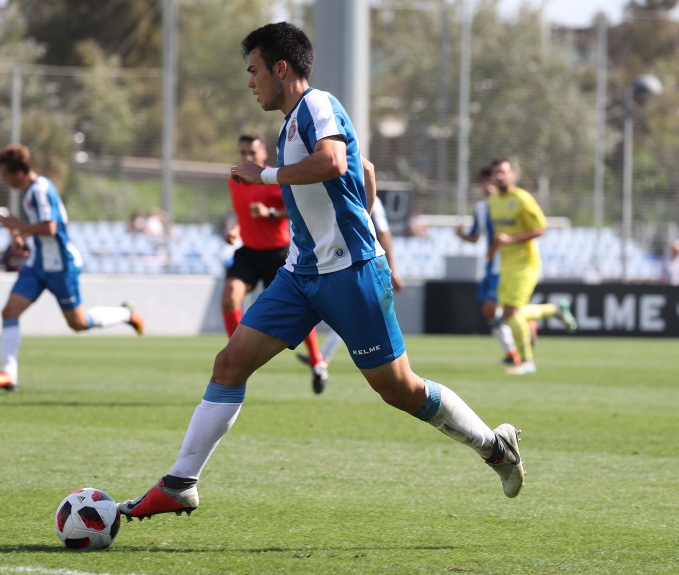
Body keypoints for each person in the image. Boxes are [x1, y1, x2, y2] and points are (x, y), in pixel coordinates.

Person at [117, 22, 526, 523]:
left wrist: (270, 179)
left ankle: (493, 446)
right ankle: (182, 482)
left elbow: (335, 162)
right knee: (229, 364)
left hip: (351, 274)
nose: (250, 83)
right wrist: (352, 213)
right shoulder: (292, 122)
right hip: (301, 274)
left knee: (398, 389)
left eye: (254, 71)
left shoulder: (316, 105)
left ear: (280, 68)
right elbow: (365, 171)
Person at [0, 144, 145, 392]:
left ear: (19, 172)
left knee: (78, 323)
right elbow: (40, 227)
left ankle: (125, 314)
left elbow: (51, 228)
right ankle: (8, 375)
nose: (3, 179)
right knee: (9, 312)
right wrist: (22, 236)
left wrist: (17, 224)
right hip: (37, 265)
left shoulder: (40, 190)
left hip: (60, 266)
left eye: (5, 174)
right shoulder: (30, 193)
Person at [223, 133, 328, 393]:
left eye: (251, 152)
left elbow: (296, 210)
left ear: (263, 155)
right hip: (248, 252)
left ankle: (317, 362)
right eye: (243, 152)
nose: (246, 157)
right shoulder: (236, 180)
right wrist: (237, 228)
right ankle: (237, 357)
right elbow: (244, 213)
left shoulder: (275, 179)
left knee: (296, 315)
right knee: (229, 299)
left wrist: (270, 213)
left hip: (278, 255)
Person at [487, 157, 577, 375]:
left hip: (526, 264)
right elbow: (499, 236)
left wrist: (511, 239)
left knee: (510, 312)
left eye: (504, 172)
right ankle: (555, 310)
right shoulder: (493, 202)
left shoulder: (522, 200)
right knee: (510, 314)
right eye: (496, 172)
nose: (500, 176)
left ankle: (527, 361)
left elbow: (541, 228)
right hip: (506, 264)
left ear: (513, 175)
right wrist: (492, 252)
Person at [298, 193, 404, 368]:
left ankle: (325, 357)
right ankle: (323, 357)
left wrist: (392, 271)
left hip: (365, 265)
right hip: (343, 264)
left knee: (357, 314)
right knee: (347, 312)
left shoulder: (368, 198)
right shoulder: (336, 193)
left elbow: (384, 234)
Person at [456, 166, 529, 366]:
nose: (488, 185)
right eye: (485, 181)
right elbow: (475, 236)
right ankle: (514, 346)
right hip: (489, 265)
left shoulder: (509, 205)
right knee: (489, 310)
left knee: (492, 308)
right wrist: (461, 235)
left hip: (506, 264)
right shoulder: (481, 208)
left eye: (492, 180)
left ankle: (517, 342)